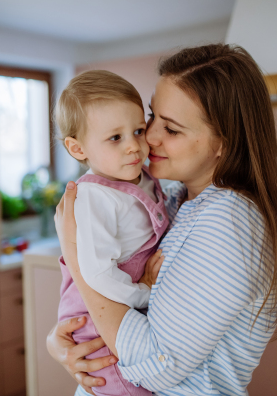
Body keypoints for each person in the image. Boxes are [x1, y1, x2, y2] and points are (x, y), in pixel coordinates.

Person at [48, 44, 277, 396]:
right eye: (152, 116)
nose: (148, 137)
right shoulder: (175, 200)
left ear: (223, 145)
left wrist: (76, 258)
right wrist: (64, 337)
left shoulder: (229, 222)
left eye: (172, 129)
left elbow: (155, 366)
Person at [55, 70, 170, 396]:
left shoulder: (142, 176)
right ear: (78, 149)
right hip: (96, 324)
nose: (134, 146)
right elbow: (98, 274)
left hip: (123, 308)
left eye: (137, 130)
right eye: (115, 138)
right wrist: (146, 293)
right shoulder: (93, 198)